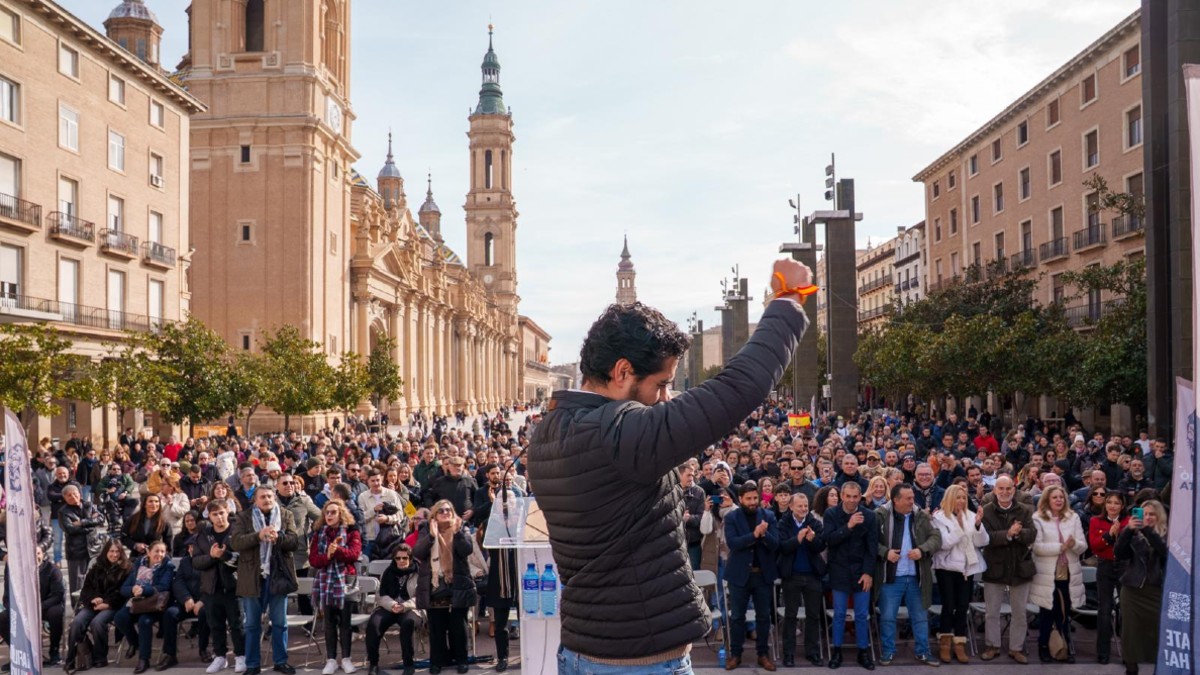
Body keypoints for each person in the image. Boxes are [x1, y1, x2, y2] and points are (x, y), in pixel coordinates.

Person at [526, 259, 810, 674]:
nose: (664, 399)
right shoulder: (618, 435)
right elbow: (737, 388)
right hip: (638, 660)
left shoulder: (547, 434)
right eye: (660, 384)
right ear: (623, 371)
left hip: (583, 650)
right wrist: (787, 302)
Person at [231, 486, 301, 675]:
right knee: (252, 624)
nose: (267, 499)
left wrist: (279, 538)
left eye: (270, 496)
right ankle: (253, 664)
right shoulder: (244, 517)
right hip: (252, 576)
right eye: (263, 497)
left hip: (278, 575)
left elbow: (295, 542)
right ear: (255, 500)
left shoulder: (286, 515)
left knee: (280, 623)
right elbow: (236, 542)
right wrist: (258, 536)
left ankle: (281, 661)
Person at [874, 484, 941, 667]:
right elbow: (869, 541)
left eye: (913, 497)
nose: (912, 501)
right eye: (908, 498)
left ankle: (923, 652)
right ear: (896, 500)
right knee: (888, 617)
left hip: (916, 576)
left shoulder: (921, 515)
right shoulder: (880, 515)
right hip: (890, 577)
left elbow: (936, 538)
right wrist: (885, 552)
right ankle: (888, 652)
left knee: (920, 617)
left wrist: (922, 550)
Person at [414, 499, 477, 675]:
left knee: (459, 625)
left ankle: (461, 660)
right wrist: (432, 536)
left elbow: (466, 550)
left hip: (457, 582)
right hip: (435, 584)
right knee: (436, 627)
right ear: (434, 513)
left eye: (448, 510)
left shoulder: (460, 525)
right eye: (441, 510)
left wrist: (457, 533)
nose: (445, 513)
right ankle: (438, 661)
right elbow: (418, 552)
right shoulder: (426, 528)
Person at [723, 481, 779, 671]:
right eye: (749, 499)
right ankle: (735, 654)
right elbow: (733, 543)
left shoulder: (769, 516)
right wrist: (755, 535)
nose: (753, 502)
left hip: (762, 575)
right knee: (737, 617)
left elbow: (775, 545)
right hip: (739, 575)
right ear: (740, 499)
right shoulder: (732, 517)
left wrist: (763, 535)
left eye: (755, 498)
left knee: (764, 617)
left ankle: (763, 654)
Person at [978, 475, 1035, 663]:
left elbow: (1032, 534)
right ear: (994, 490)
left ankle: (1016, 648)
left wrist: (1019, 535)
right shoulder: (986, 511)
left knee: (1019, 612)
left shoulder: (1025, 510)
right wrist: (1008, 534)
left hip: (1020, 567)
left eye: (1008, 488)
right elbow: (986, 538)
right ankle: (992, 646)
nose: (1004, 492)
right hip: (994, 567)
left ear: (1014, 489)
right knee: (992, 612)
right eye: (1000, 488)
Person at [822, 480, 877, 670]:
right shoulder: (831, 514)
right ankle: (836, 651)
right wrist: (849, 526)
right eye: (848, 496)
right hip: (839, 570)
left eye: (855, 497)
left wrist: (868, 573)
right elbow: (829, 540)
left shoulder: (869, 516)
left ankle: (863, 651)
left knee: (862, 614)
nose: (852, 500)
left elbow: (872, 548)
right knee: (839, 615)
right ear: (842, 496)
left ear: (860, 496)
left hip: (861, 572)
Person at [931, 484, 988, 664]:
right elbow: (945, 543)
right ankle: (945, 643)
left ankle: (960, 643)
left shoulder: (971, 516)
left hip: (966, 567)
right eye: (958, 497)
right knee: (949, 605)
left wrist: (978, 525)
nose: (961, 501)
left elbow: (982, 542)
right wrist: (961, 527)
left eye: (964, 497)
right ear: (950, 498)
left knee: (963, 605)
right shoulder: (938, 517)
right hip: (946, 568)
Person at [1031, 485, 1086, 663]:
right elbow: (1037, 548)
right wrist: (1060, 547)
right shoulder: (1038, 518)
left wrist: (1073, 545)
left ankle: (1064, 646)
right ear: (1047, 499)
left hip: (1068, 572)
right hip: (1047, 573)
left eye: (1061, 497)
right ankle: (1044, 646)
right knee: (1047, 611)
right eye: (1054, 497)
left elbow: (1083, 546)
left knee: (1064, 612)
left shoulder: (1074, 517)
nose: (1058, 500)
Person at [192, 500, 247, 675]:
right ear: (209, 516)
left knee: (236, 624)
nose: (219, 517)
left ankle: (240, 655)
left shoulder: (237, 532)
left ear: (228, 511)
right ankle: (220, 656)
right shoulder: (203, 535)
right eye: (214, 514)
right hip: (211, 587)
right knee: (215, 625)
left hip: (233, 587)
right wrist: (212, 556)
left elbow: (242, 560)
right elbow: (196, 562)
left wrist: (224, 555)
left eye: (221, 513)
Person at [308, 500, 363, 675]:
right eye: (327, 512)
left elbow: (354, 554)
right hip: (325, 580)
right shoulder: (318, 533)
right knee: (329, 622)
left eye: (333, 512)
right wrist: (328, 555)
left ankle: (346, 659)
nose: (329, 515)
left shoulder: (352, 531)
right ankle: (331, 660)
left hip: (345, 579)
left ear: (341, 514)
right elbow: (314, 560)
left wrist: (338, 550)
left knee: (345, 622)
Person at [1114, 500, 1167, 675]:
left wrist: (1146, 529)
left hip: (1157, 591)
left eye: (1152, 514)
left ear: (1159, 516)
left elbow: (1164, 553)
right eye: (1144, 514)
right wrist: (1127, 531)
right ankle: (1131, 670)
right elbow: (1119, 553)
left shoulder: (1169, 535)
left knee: (1159, 634)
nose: (1148, 517)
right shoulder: (1133, 534)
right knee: (1130, 634)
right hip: (1132, 591)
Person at [777, 492, 826, 668]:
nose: (804, 509)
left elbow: (821, 545)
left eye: (806, 506)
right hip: (792, 576)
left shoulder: (814, 522)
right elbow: (781, 547)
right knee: (791, 616)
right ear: (791, 507)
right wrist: (797, 540)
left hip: (813, 575)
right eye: (800, 506)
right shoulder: (783, 523)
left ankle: (812, 652)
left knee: (813, 615)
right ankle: (788, 654)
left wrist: (813, 540)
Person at [114, 540, 179, 673]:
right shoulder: (138, 564)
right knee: (120, 618)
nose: (160, 554)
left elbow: (163, 587)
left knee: (145, 621)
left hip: (154, 603)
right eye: (156, 551)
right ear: (148, 552)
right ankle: (136, 643)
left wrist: (144, 590)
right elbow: (124, 588)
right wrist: (133, 589)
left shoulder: (168, 566)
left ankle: (144, 659)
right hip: (136, 601)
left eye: (163, 551)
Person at [65, 539, 129, 673]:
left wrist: (107, 603)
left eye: (117, 551)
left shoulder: (126, 568)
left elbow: (123, 592)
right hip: (94, 603)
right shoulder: (97, 566)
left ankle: (100, 657)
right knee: (76, 622)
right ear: (106, 552)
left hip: (113, 605)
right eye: (111, 551)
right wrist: (94, 598)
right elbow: (86, 588)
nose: (114, 554)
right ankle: (71, 658)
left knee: (97, 623)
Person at [0, 547, 66, 666]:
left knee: (56, 612)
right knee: (3, 617)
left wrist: (38, 607)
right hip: (22, 608)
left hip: (45, 607)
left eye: (38, 553)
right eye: (32, 554)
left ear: (43, 554)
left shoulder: (52, 570)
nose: (36, 556)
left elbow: (58, 595)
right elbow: (7, 597)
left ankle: (54, 652)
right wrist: (17, 609)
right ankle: (18, 654)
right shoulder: (16, 571)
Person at [365, 545, 424, 675]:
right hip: (389, 607)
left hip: (411, 608)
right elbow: (379, 595)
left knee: (408, 623)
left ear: (410, 558)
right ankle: (373, 664)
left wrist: (404, 606)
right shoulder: (387, 572)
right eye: (398, 558)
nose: (401, 561)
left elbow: (421, 596)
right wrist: (392, 605)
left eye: (405, 558)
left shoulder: (419, 572)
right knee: (373, 623)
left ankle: (408, 664)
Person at [1087, 491, 1126, 664]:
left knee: (1126, 611)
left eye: (1116, 503)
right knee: (1104, 610)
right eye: (1109, 502)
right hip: (1105, 566)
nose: (1112, 506)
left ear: (1122, 506)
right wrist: (1109, 535)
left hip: (1125, 567)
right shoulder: (1096, 521)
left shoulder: (1128, 522)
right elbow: (1095, 546)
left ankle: (1128, 653)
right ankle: (1103, 653)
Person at [59, 484, 105, 595]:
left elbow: (101, 519)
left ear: (79, 494)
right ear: (65, 498)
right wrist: (90, 524)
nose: (73, 497)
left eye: (75, 494)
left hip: (94, 548)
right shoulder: (63, 511)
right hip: (76, 551)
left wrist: (82, 522)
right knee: (77, 582)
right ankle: (77, 608)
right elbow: (70, 529)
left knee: (97, 578)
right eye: (69, 495)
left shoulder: (89, 505)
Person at [357, 470, 406, 559]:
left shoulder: (391, 494)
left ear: (382, 480)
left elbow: (400, 515)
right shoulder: (362, 497)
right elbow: (361, 518)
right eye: (373, 481)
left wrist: (387, 519)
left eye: (378, 480)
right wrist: (374, 510)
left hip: (390, 539)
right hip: (370, 539)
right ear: (368, 481)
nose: (376, 483)